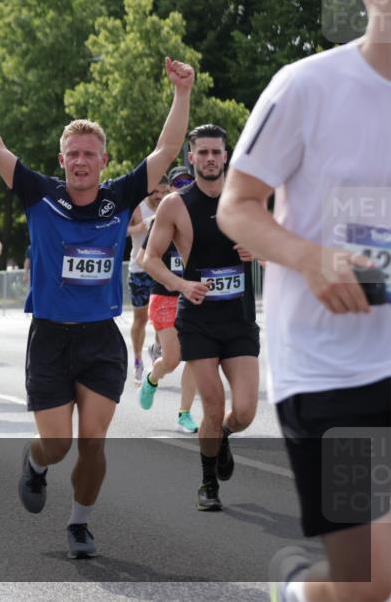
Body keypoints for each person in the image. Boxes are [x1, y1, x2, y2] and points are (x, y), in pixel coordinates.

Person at [0, 57, 192, 558]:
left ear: (103, 160)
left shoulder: (121, 195)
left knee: (96, 442)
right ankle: (35, 462)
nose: (81, 161)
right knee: (57, 446)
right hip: (51, 338)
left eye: (90, 154)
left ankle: (79, 523)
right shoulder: (40, 194)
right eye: (73, 154)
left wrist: (182, 93)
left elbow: (168, 149)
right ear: (62, 161)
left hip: (101, 337)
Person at [219, 0, 391, 599]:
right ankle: (303, 590)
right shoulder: (308, 86)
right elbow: (237, 205)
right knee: (370, 580)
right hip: (332, 372)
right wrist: (311, 257)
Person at [142, 124, 260, 512]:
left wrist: (256, 249)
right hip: (199, 320)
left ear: (226, 156)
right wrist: (180, 284)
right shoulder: (175, 204)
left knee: (243, 412)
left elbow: (275, 245)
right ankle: (208, 482)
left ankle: (222, 435)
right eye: (202, 152)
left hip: (239, 318)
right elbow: (149, 258)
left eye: (216, 152)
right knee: (211, 406)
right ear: (191, 157)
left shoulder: (245, 199)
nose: (210, 158)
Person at [138, 166, 200, 433]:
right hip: (164, 298)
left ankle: (184, 414)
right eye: (178, 183)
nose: (182, 186)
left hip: (194, 297)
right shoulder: (160, 220)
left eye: (188, 181)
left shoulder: (199, 217)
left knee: (196, 356)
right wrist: (169, 280)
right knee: (172, 360)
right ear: (171, 188)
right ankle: (152, 378)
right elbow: (143, 259)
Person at [127, 178, 168, 385]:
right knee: (141, 319)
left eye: (163, 191)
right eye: (155, 192)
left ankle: (156, 348)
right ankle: (137, 361)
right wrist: (141, 226)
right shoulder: (138, 207)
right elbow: (123, 231)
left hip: (161, 268)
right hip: (139, 269)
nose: (159, 196)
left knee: (163, 317)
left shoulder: (170, 206)